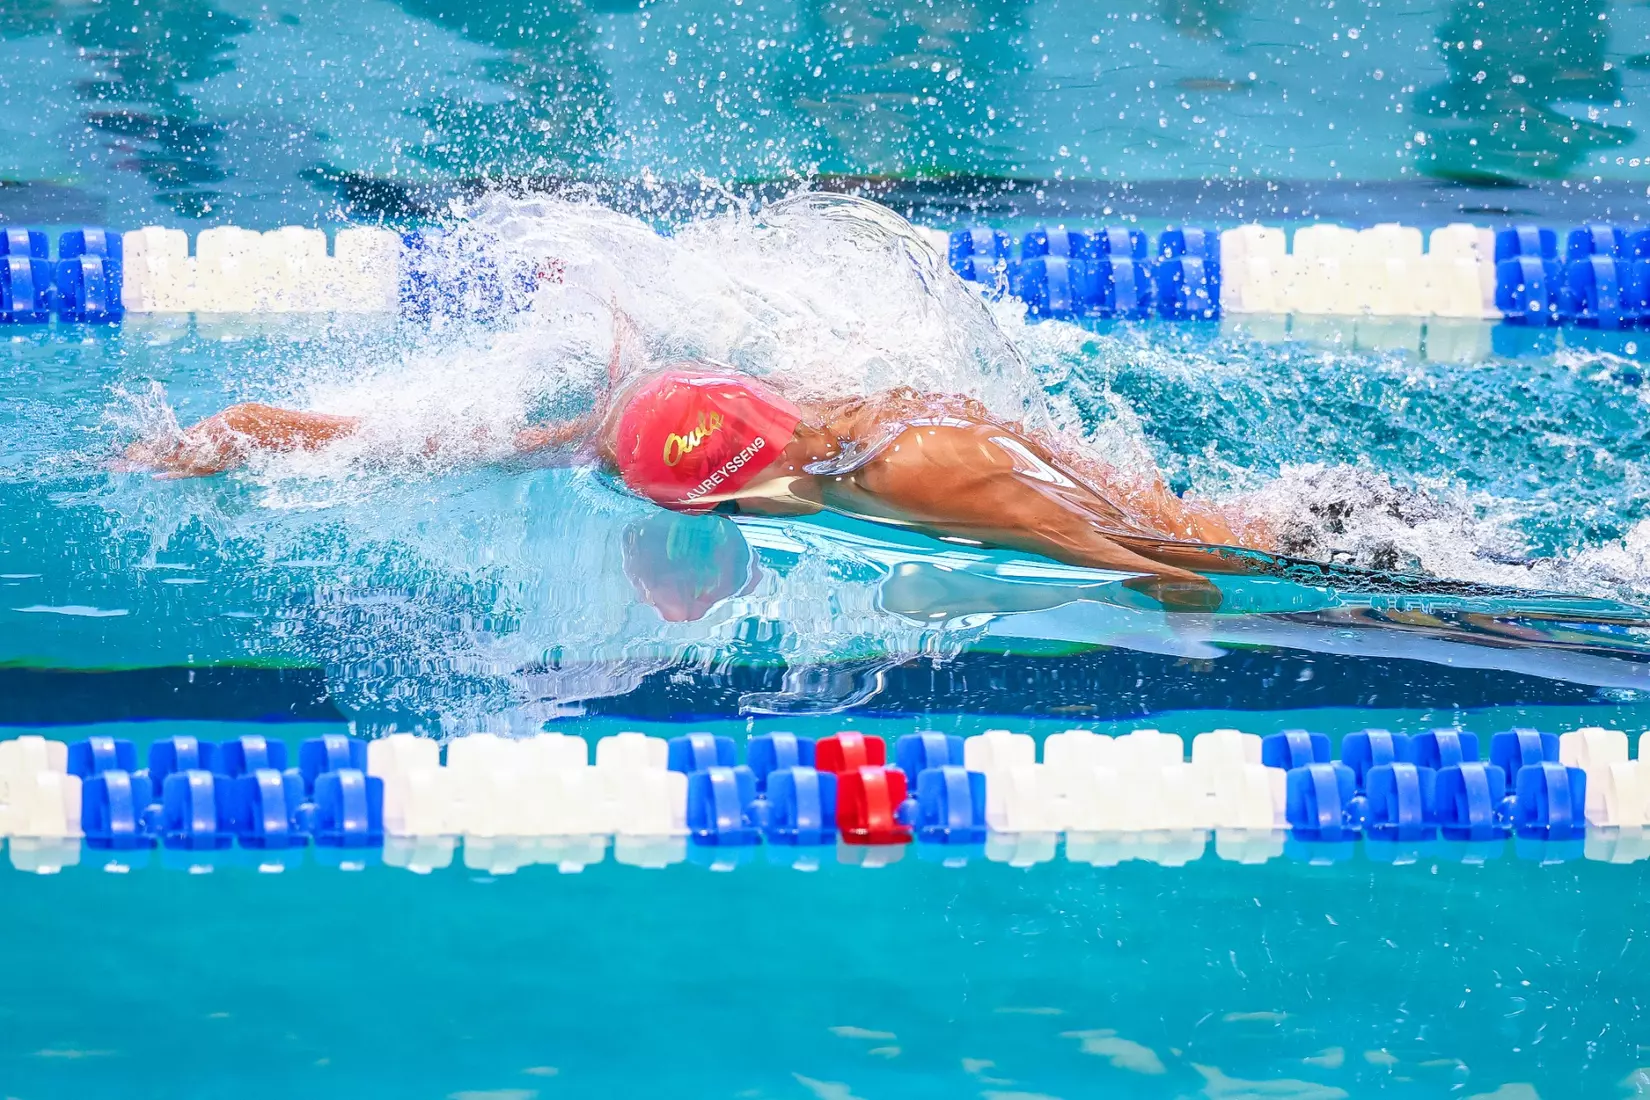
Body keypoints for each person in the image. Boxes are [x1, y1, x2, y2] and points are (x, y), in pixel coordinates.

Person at [125, 338, 1274, 611]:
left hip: (1153, 513)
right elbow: (439, 441)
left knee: (1205, 532)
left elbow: (1172, 571)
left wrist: (1147, 591)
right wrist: (240, 433)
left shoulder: (922, 467)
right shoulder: (639, 431)